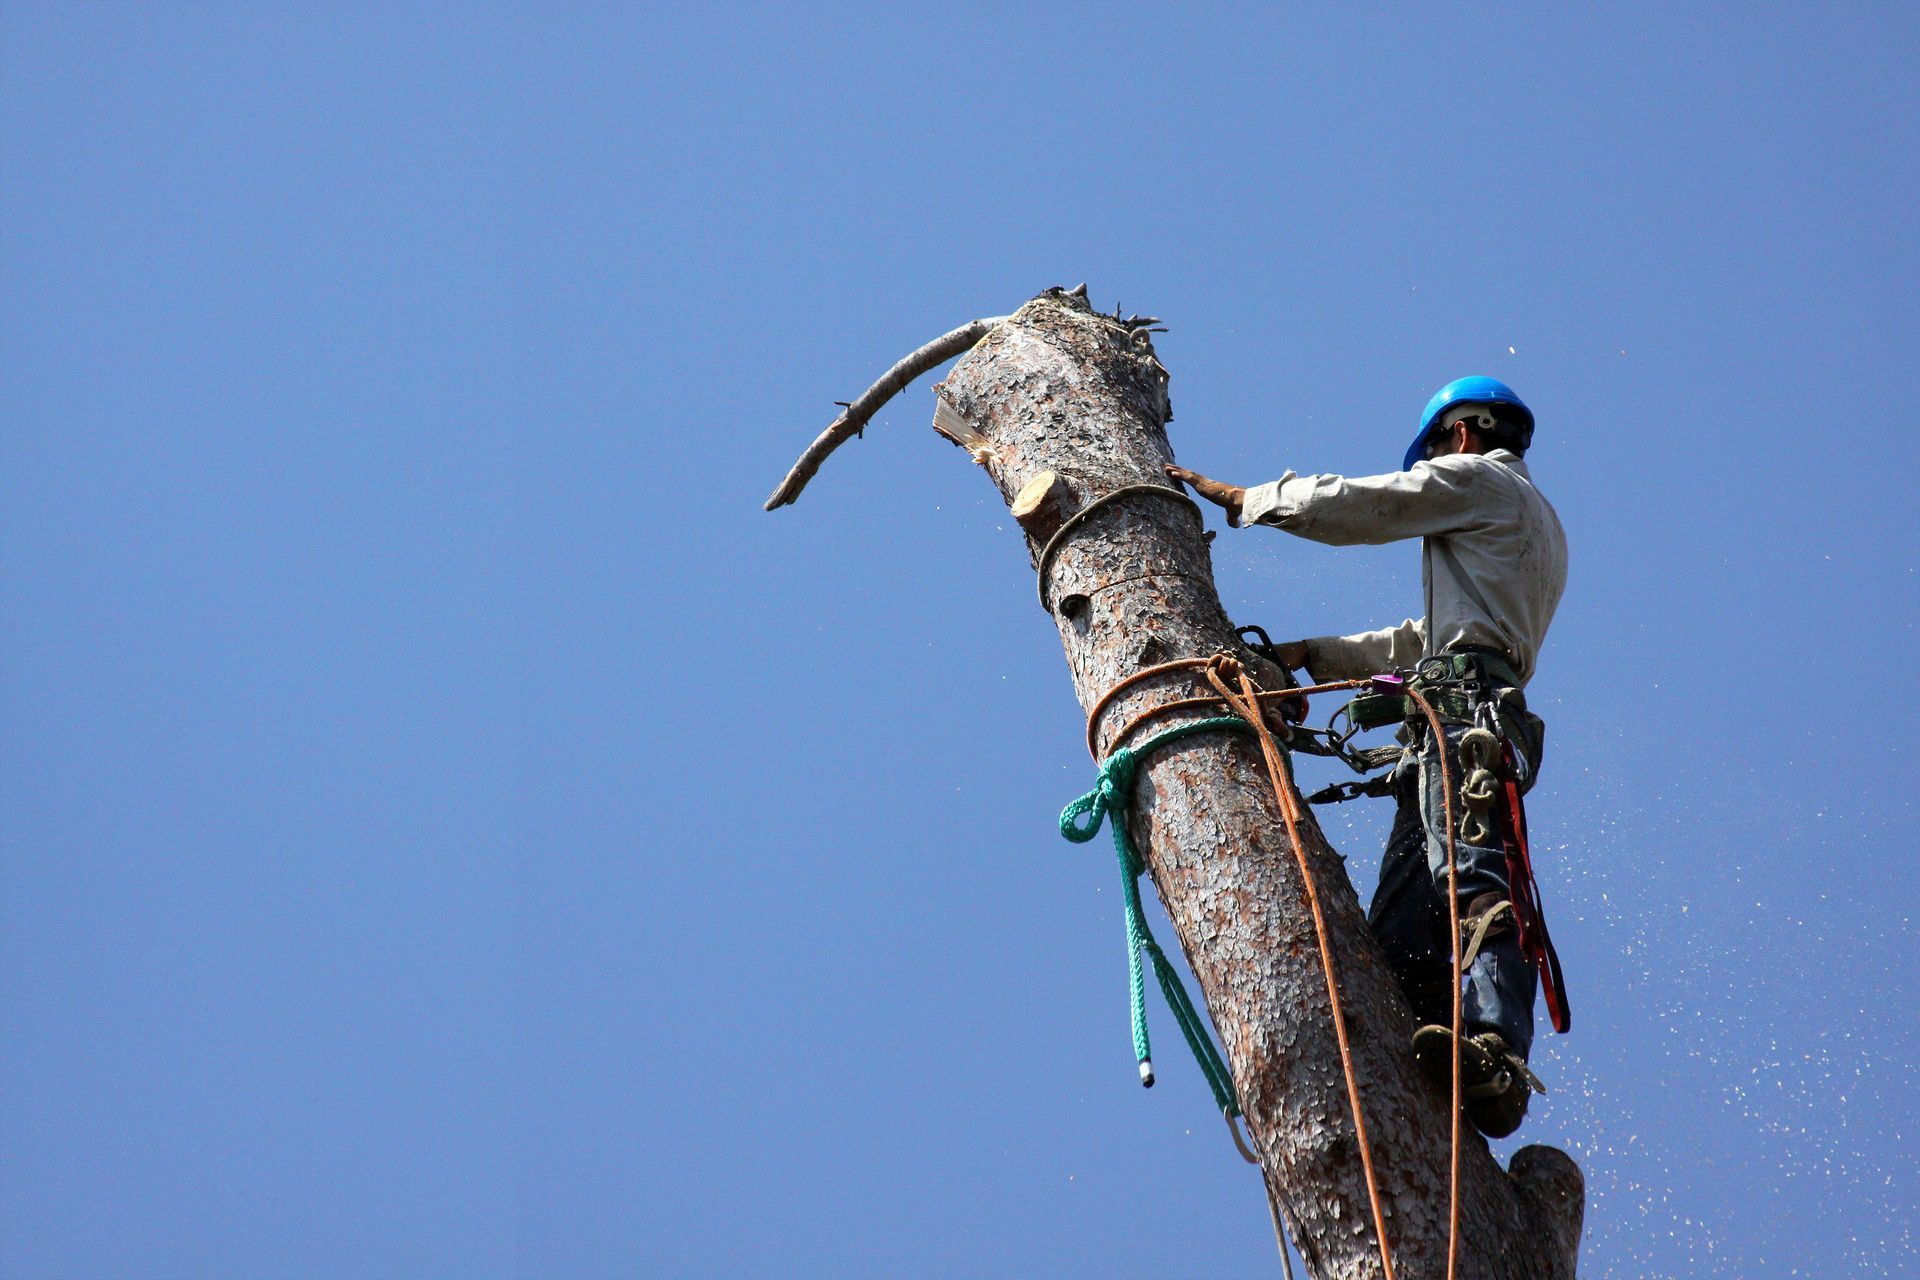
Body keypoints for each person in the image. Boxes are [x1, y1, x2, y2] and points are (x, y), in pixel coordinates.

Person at [1164, 376, 1567, 1137]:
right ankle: (1435, 1041)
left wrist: (1248, 499)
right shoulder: (1529, 524)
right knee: (1405, 931)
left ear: (1464, 433)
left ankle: (1496, 1052)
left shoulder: (1480, 480)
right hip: (1458, 721)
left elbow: (1369, 503)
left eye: (1443, 447)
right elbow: (1424, 639)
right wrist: (1312, 654)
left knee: (1471, 880)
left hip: (1466, 721)